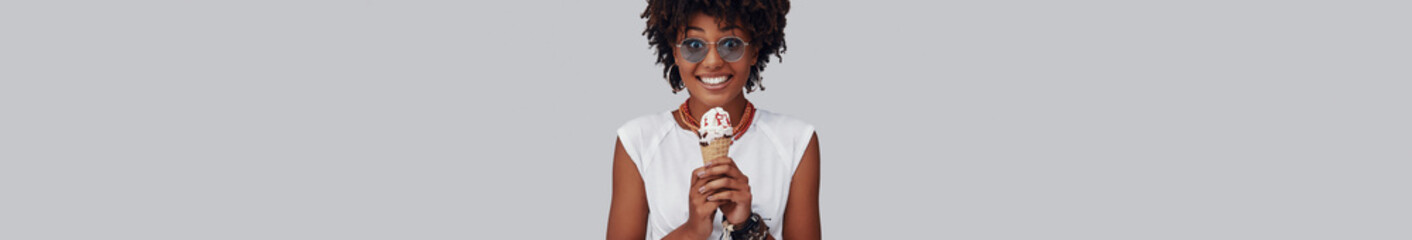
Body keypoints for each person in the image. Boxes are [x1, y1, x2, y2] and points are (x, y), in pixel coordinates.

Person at [607, 0, 819, 239]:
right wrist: (693, 229)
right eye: (694, 45)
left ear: (754, 51)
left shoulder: (795, 140)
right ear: (675, 52)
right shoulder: (639, 141)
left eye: (731, 44)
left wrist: (746, 225)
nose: (713, 61)